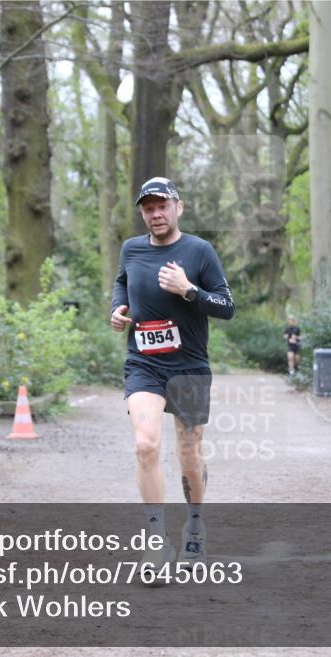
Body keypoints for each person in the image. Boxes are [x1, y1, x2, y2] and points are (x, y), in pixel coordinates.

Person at [110, 176, 235, 574]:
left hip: (189, 367)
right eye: (148, 208)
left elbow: (227, 306)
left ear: (178, 207)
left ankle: (194, 527)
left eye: (162, 205)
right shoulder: (130, 249)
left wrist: (188, 290)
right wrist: (118, 309)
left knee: (188, 455)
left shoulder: (199, 251)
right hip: (144, 363)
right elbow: (122, 284)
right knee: (145, 446)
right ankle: (155, 542)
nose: (155, 213)